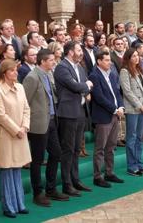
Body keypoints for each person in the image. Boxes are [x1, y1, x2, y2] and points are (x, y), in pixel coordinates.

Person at [22, 49, 68, 207]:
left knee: (56, 154)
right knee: (37, 159)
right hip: (37, 124)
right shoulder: (32, 77)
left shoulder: (48, 74)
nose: (54, 62)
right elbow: (24, 102)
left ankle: (51, 188)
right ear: (42, 61)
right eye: (50, 60)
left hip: (51, 120)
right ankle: (37, 193)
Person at [0, 59, 31, 218]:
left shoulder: (20, 87)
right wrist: (16, 130)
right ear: (4, 73)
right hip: (7, 136)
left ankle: (19, 203)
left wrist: (24, 127)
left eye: (16, 70)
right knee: (7, 170)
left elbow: (27, 109)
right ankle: (8, 206)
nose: (16, 72)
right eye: (13, 70)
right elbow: (1, 115)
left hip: (20, 133)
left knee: (17, 168)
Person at [54, 41, 92, 197]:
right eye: (78, 50)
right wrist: (86, 86)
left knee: (76, 149)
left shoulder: (80, 67)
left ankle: (75, 180)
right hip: (68, 113)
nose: (81, 52)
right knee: (68, 150)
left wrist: (85, 87)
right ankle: (66, 183)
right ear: (70, 52)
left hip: (80, 111)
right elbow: (75, 86)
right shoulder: (62, 67)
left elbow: (82, 85)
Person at [89, 51, 125, 185]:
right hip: (103, 116)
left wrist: (121, 106)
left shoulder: (112, 75)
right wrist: (114, 109)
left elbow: (117, 93)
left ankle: (109, 173)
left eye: (110, 60)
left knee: (111, 146)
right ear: (98, 61)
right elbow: (99, 97)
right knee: (100, 148)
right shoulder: (94, 76)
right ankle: (97, 176)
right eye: (106, 60)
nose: (109, 62)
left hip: (115, 115)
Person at [119, 48, 143, 176]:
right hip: (133, 109)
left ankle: (139, 163)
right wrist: (140, 106)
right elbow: (127, 92)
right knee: (131, 137)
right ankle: (132, 166)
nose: (136, 58)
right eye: (133, 56)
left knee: (139, 137)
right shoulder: (124, 71)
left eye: (137, 55)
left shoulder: (140, 70)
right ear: (128, 58)